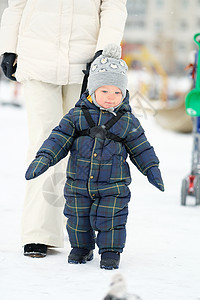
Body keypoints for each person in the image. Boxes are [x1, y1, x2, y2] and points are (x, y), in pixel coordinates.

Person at [0, 0, 127, 257]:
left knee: (85, 148)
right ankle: (38, 232)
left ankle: (83, 231)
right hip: (36, 58)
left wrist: (104, 51)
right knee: (43, 143)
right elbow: (16, 5)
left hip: (85, 64)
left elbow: (113, 6)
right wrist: (8, 48)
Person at [25, 44, 164, 270]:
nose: (111, 98)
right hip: (78, 184)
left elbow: (142, 148)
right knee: (77, 219)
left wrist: (152, 169)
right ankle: (81, 247)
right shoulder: (77, 115)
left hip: (113, 186)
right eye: (105, 91)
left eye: (117, 92)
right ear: (92, 90)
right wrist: (44, 158)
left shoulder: (127, 121)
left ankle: (110, 252)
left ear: (124, 93)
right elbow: (58, 138)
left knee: (112, 219)